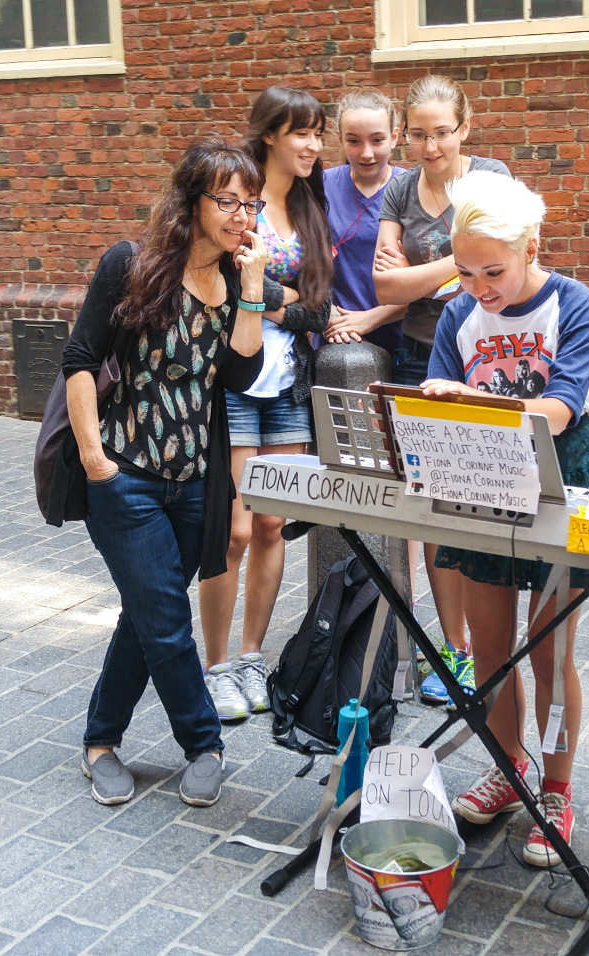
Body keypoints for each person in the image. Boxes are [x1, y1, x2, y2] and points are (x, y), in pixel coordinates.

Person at [62, 137, 267, 807]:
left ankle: (100, 741)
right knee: (167, 618)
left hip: (194, 483)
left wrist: (257, 286)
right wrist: (96, 461)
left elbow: (241, 372)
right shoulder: (130, 263)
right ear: (192, 201)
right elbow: (80, 361)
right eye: (227, 200)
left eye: (250, 201)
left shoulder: (235, 279)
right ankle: (204, 742)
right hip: (126, 475)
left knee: (146, 615)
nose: (242, 213)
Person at [422, 170, 589, 866]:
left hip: (562, 475)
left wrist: (471, 402)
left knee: (552, 651)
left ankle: (554, 791)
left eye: (492, 270)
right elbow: (434, 404)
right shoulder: (457, 315)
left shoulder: (575, 303)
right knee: (491, 651)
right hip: (481, 475)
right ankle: (510, 770)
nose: (479, 287)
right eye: (465, 271)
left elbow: (560, 409)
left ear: (532, 245)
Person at [373, 75, 512, 707]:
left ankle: (491, 646)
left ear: (465, 128)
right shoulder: (401, 187)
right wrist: (456, 267)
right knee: (430, 507)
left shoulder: (492, 179)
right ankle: (452, 648)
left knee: (479, 501)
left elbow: (500, 265)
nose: (431, 147)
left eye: (442, 132)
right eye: (420, 134)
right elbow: (387, 292)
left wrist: (434, 272)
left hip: (480, 357)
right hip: (415, 358)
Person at [198, 86, 333, 722]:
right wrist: (277, 303)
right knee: (235, 528)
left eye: (317, 134)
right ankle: (215, 665)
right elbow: (222, 280)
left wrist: (272, 298)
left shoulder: (309, 204)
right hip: (235, 382)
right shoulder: (241, 196)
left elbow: (318, 307)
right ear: (271, 134)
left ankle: (253, 656)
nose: (312, 145)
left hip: (289, 386)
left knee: (275, 521)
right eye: (301, 133)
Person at [321, 90, 406, 354]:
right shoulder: (322, 186)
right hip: (338, 339)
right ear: (340, 139)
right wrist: (329, 314)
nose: (366, 153)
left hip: (402, 340)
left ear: (394, 137)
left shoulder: (414, 189)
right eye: (354, 141)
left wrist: (372, 318)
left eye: (377, 140)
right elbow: (305, 260)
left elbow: (429, 279)